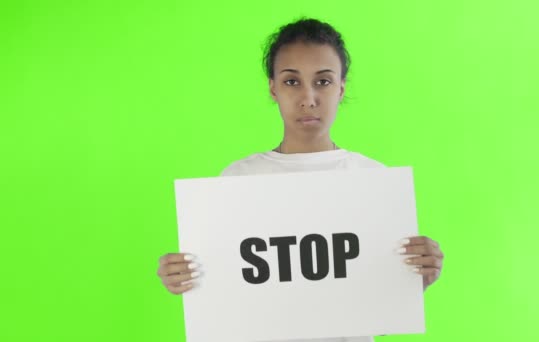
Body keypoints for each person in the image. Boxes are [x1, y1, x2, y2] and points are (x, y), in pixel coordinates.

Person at [157, 17, 444, 342]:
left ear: (341, 87)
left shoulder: (372, 180)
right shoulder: (238, 180)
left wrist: (413, 279)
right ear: (273, 88)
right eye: (292, 82)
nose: (308, 98)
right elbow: (227, 297)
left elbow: (378, 312)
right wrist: (186, 277)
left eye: (322, 81)